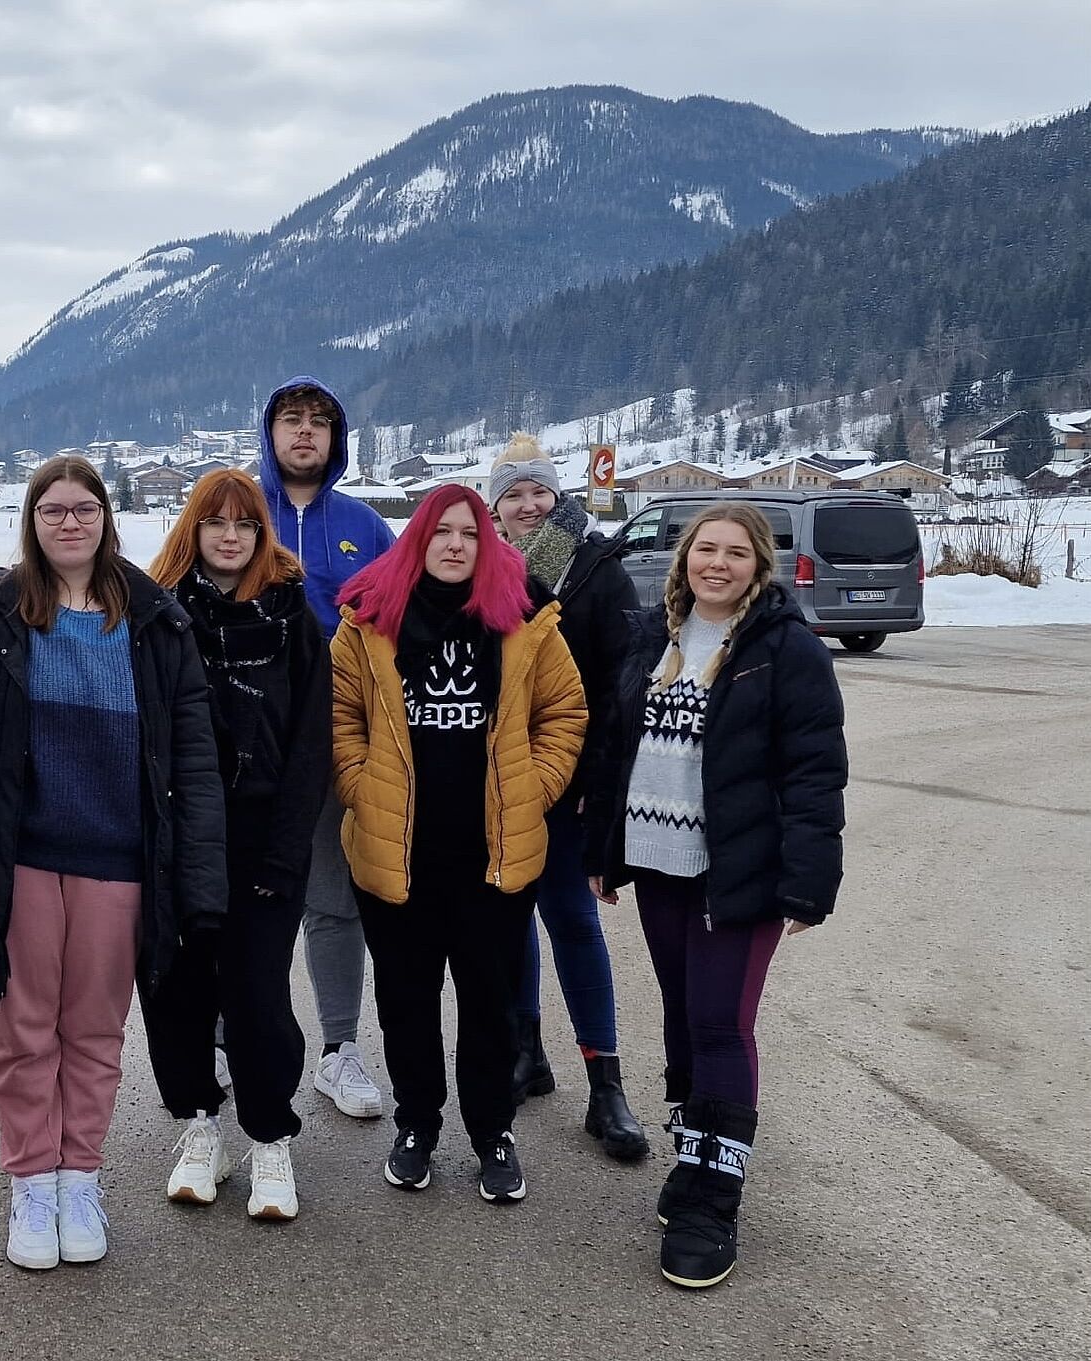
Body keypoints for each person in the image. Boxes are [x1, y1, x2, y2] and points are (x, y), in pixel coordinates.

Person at [0, 454, 227, 1271]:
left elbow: (192, 756)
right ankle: (31, 1182)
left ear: (105, 518)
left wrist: (199, 876)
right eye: (52, 510)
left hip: (119, 863)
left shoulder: (156, 622)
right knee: (22, 1030)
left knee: (95, 1031)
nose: (68, 522)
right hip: (16, 858)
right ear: (31, 520)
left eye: (82, 509)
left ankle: (79, 1177)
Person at [584, 501, 847, 1289]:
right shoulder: (653, 638)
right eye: (706, 549)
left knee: (721, 1024)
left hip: (738, 871)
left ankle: (715, 1197)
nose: (718, 563)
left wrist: (807, 881)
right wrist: (605, 848)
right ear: (685, 559)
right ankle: (690, 1156)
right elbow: (613, 749)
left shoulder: (787, 649)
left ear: (759, 564)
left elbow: (814, 771)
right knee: (679, 1013)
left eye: (737, 552)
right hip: (658, 859)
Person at [330, 485, 586, 1201]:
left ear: (487, 543)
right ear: (417, 539)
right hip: (398, 852)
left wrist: (534, 788)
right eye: (439, 531)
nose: (453, 544)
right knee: (406, 999)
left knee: (490, 1001)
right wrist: (360, 785)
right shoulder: (368, 622)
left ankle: (491, 1130)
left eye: (468, 534)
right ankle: (416, 1124)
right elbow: (340, 717)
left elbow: (564, 711)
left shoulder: (524, 620)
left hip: (493, 855)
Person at [141, 470, 331, 1220]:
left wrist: (287, 853)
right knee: (174, 988)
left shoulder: (292, 619)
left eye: (245, 525)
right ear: (193, 530)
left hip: (261, 840)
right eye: (215, 522)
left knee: (256, 994)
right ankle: (200, 1124)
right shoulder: (157, 619)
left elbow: (311, 744)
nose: (230, 536)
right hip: (177, 836)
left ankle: (270, 1135)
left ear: (262, 535)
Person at [488, 434, 649, 1161]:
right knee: (510, 919)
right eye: (513, 494)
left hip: (572, 787)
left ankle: (605, 1083)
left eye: (538, 492)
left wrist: (602, 789)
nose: (528, 505)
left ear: (557, 497)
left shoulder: (594, 567)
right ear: (496, 507)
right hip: (502, 784)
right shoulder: (486, 570)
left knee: (573, 924)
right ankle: (526, 1051)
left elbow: (623, 691)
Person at [256, 374, 396, 1120]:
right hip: (252, 743)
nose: (305, 432)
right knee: (248, 894)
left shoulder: (365, 526)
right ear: (269, 432)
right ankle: (230, 1039)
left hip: (338, 739)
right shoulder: (237, 512)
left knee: (333, 899)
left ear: (336, 439)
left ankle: (339, 1049)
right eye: (291, 419)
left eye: (319, 421)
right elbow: (167, 596)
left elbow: (413, 611)